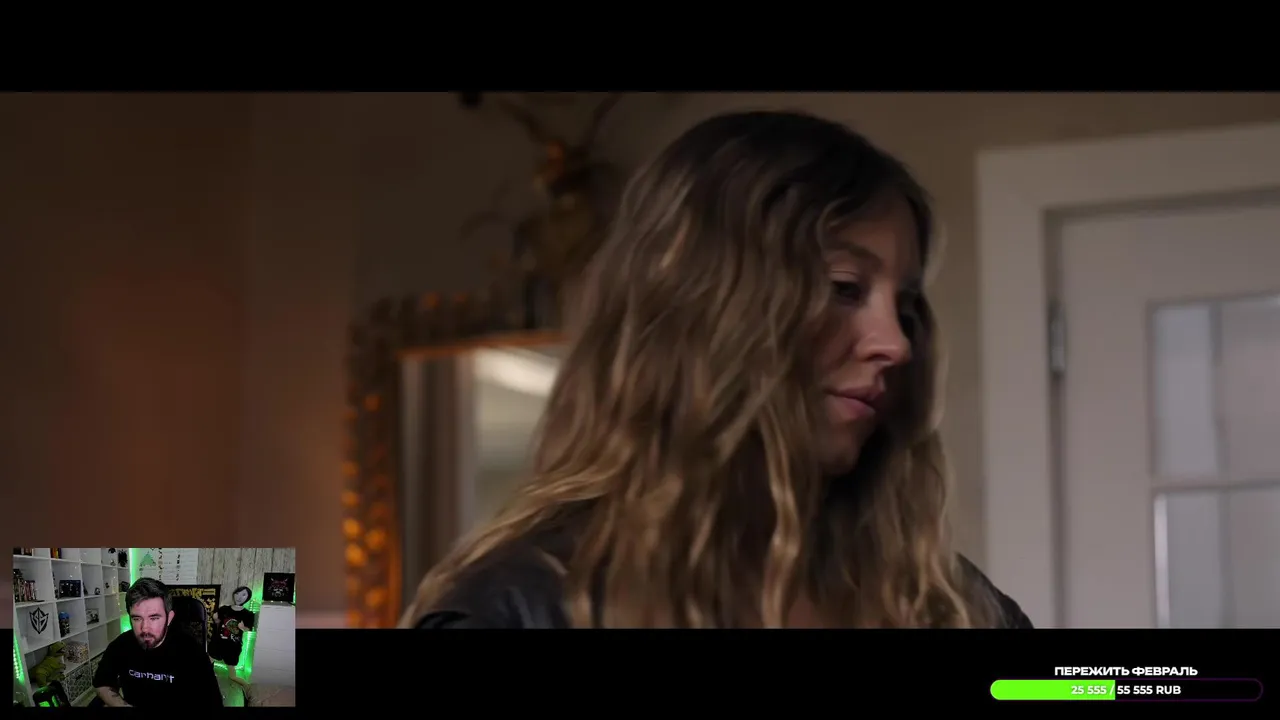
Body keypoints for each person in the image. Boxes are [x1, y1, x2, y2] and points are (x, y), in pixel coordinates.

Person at [400, 109, 1034, 629]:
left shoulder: (952, 605)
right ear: (709, 310)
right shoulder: (519, 612)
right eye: (845, 288)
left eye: (906, 307)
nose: (896, 344)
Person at [93, 577, 224, 707]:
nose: (144, 628)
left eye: (154, 618)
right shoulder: (121, 645)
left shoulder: (193, 652)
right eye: (137, 618)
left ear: (169, 618)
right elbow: (101, 683)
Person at [209, 586, 255, 688]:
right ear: (234, 594)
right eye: (237, 594)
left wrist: (242, 627)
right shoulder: (224, 609)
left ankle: (247, 686)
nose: (239, 597)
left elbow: (248, 628)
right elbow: (217, 622)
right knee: (208, 662)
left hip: (233, 647)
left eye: (243, 595)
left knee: (232, 676)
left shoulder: (248, 614)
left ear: (248, 598)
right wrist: (215, 618)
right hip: (218, 643)